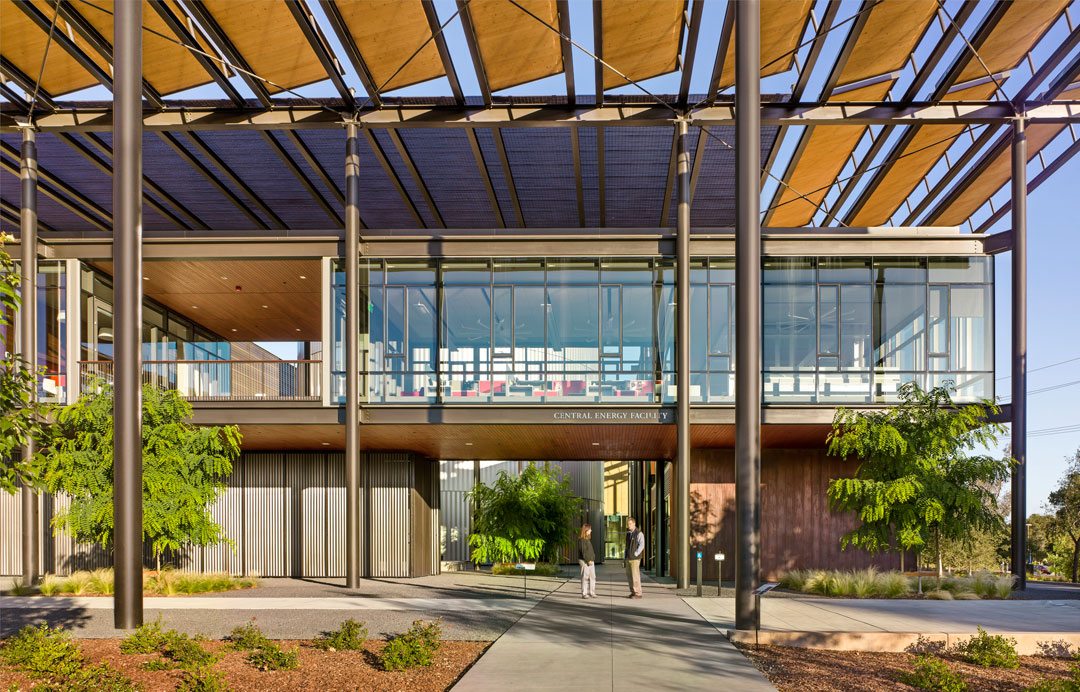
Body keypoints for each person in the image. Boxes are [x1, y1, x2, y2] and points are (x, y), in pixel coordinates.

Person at [624, 517, 645, 599]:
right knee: (629, 576)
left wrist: (636, 553)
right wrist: (625, 557)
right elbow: (626, 547)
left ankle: (638, 593)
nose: (628, 525)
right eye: (628, 524)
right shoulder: (628, 533)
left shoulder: (639, 533)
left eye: (630, 524)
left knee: (635, 576)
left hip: (635, 559)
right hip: (628, 558)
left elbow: (642, 545)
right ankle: (633, 592)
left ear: (634, 524)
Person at [578, 524, 597, 599]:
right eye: (590, 529)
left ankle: (592, 592)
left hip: (591, 561)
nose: (591, 531)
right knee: (585, 577)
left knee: (593, 577)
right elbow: (583, 552)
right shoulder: (582, 540)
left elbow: (589, 551)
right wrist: (588, 560)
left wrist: (592, 558)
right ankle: (584, 593)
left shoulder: (587, 540)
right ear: (586, 531)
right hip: (585, 561)